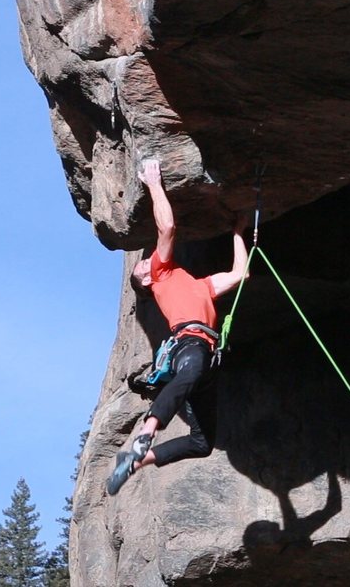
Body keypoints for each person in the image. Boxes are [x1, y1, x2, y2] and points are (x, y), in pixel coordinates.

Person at [107, 159, 249, 495]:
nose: (147, 259)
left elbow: (240, 274)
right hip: (189, 344)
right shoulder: (160, 274)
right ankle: (147, 431)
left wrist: (239, 234)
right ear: (145, 277)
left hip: (206, 361)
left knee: (202, 443)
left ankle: (135, 462)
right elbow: (167, 229)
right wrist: (154, 183)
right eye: (143, 264)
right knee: (187, 375)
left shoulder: (198, 285)